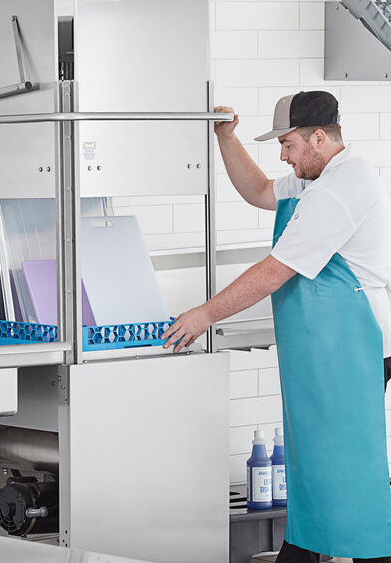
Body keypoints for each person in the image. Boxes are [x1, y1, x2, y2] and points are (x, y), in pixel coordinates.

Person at [161, 91, 391, 562]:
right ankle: (301, 552)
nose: (283, 155)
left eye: (287, 144)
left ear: (320, 137)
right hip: (318, 349)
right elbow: (260, 191)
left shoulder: (342, 188)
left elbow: (275, 270)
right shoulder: (316, 177)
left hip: (353, 346)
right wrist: (227, 137)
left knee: (347, 470)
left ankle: (369, 553)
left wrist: (204, 314)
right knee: (311, 466)